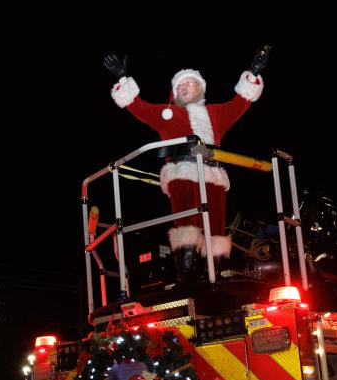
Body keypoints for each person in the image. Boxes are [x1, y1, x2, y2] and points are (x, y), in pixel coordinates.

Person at [103, 46, 270, 282]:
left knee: (215, 221)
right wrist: (122, 77)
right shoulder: (166, 114)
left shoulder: (216, 113)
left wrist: (253, 72)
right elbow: (137, 107)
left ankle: (217, 267)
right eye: (179, 85)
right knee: (186, 220)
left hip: (212, 173)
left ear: (200, 88)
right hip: (181, 171)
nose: (183, 87)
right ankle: (186, 268)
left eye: (189, 83)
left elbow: (241, 102)